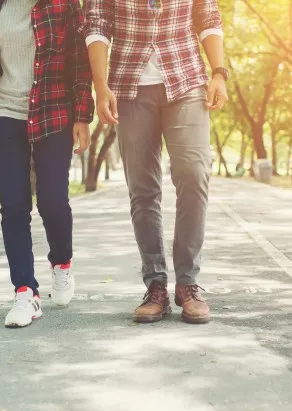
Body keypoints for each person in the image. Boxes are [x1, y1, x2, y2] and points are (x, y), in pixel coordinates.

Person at [83, 0, 228, 324]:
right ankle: (156, 285)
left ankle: (188, 283)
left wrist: (219, 72)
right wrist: (100, 84)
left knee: (193, 174)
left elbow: (206, 13)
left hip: (186, 78)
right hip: (129, 83)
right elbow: (97, 22)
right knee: (143, 188)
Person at [0, 0, 94, 328]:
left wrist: (82, 115)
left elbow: (80, 60)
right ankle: (25, 292)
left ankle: (61, 264)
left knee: (52, 201)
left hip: (54, 110)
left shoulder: (63, 4)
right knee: (14, 206)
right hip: (6, 112)